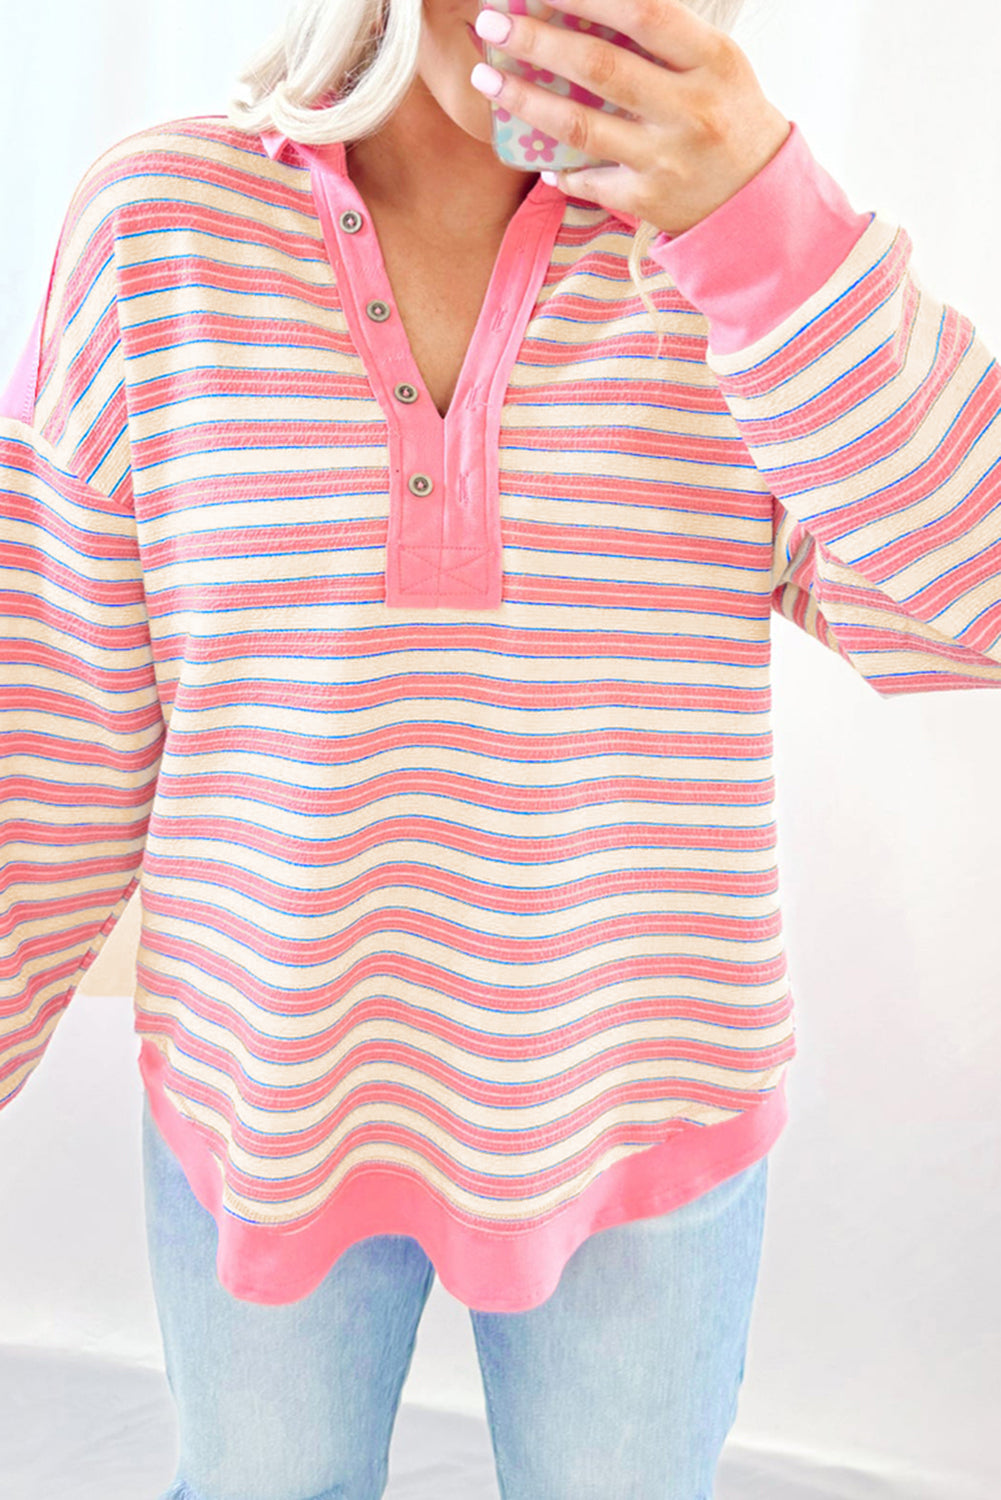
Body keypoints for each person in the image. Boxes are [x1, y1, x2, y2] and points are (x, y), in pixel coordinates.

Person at [2, 0, 1000, 1495]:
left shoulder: (731, 269)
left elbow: (974, 598)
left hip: (644, 1090)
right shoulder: (158, 228)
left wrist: (763, 225)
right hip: (269, 1090)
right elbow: (50, 726)